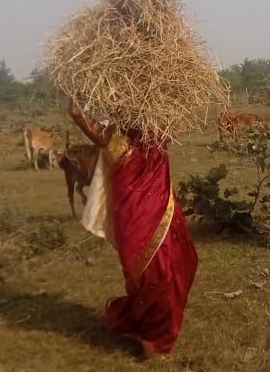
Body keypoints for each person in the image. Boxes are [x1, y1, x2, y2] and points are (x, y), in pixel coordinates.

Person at [68, 99, 197, 359]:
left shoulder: (157, 131)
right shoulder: (113, 136)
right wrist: (78, 94)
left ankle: (156, 339)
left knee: (172, 269)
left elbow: (177, 118)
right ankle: (151, 338)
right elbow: (77, 113)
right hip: (133, 219)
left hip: (162, 212)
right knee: (147, 276)